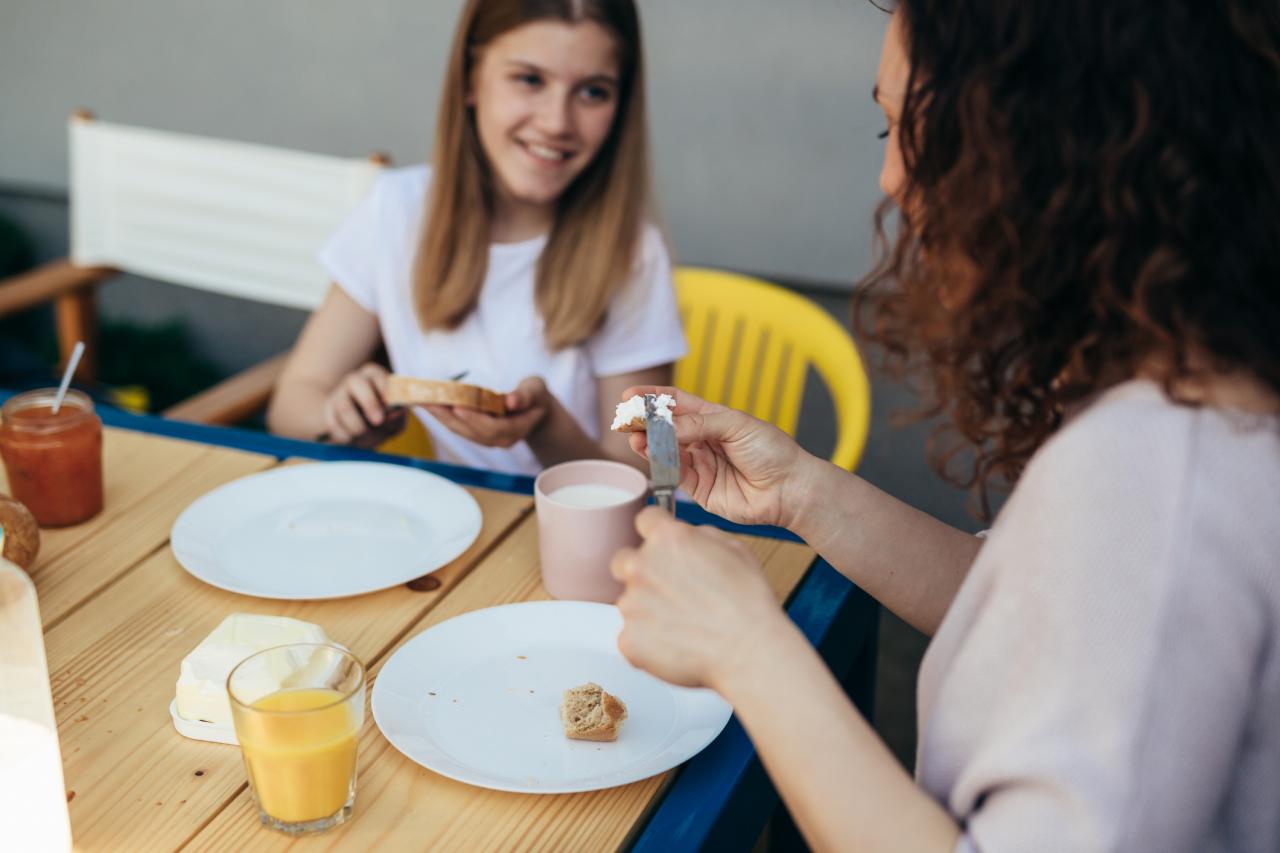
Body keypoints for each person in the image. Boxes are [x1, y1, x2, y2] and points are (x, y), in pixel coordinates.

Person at [610, 3, 1280, 851]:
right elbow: (1016, 600)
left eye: (917, 127)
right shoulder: (1185, 410)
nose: (892, 177)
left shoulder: (1156, 476)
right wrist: (802, 492)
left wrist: (747, 646)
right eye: (882, 128)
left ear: (1051, 143)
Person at [267, 0, 685, 475]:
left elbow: (659, 470)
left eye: (593, 92)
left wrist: (545, 427)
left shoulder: (636, 252)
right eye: (529, 80)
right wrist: (337, 417)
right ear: (470, 79)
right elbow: (291, 404)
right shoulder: (395, 210)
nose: (556, 122)